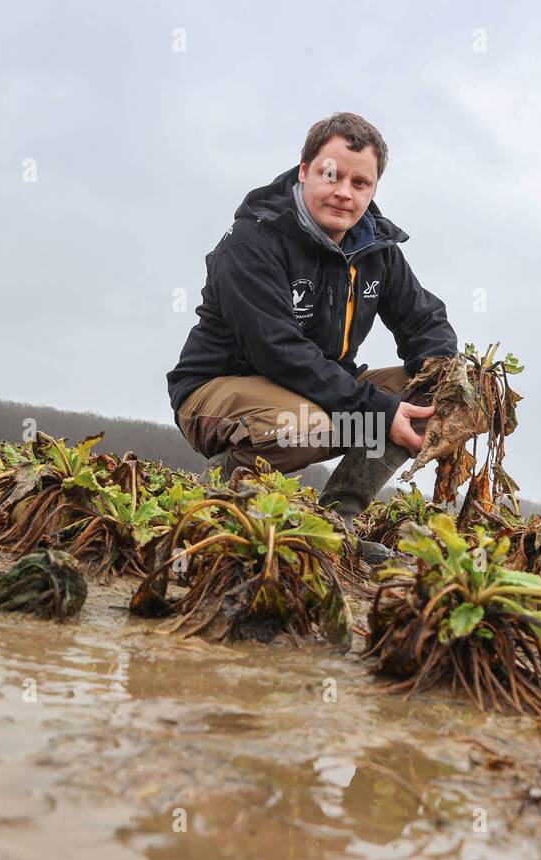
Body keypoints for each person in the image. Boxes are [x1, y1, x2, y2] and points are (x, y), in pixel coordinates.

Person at [166, 112, 457, 557]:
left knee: (435, 392)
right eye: (331, 174)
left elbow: (425, 321)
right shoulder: (253, 241)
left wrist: (440, 376)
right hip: (215, 391)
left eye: (361, 183)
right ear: (304, 171)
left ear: (374, 188)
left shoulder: (376, 250)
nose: (344, 193)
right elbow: (277, 351)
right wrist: (374, 410)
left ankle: (337, 517)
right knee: (313, 425)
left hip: (314, 390)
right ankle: (218, 497)